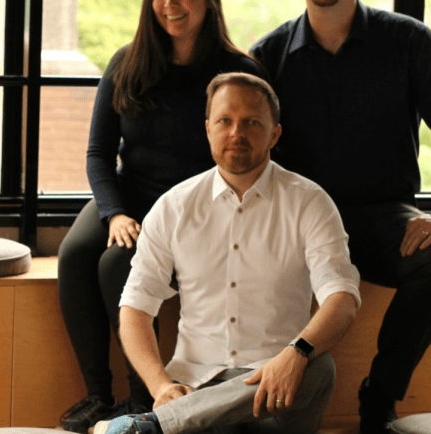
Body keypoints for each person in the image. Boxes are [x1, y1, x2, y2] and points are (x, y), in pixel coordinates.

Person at [249, 0, 431, 433]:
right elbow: (241, 147)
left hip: (380, 218)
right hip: (297, 222)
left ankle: (378, 399)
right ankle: (244, 407)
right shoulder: (267, 56)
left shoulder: (408, 40)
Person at [57, 0, 264, 433]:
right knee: (74, 255)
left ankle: (140, 402)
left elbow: (249, 156)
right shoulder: (128, 62)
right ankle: (98, 394)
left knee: (117, 265)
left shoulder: (237, 70)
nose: (171, 3)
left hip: (196, 209)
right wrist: (115, 213)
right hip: (132, 196)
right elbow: (98, 153)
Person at [94, 72, 361, 434]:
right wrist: (160, 386)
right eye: (225, 121)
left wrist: (295, 354)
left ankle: (154, 428)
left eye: (252, 122)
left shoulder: (310, 203)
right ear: (208, 129)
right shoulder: (173, 207)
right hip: (196, 386)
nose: (237, 133)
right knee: (211, 421)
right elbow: (135, 308)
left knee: (318, 364)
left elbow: (342, 299)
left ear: (274, 134)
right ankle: (170, 420)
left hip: (276, 390)